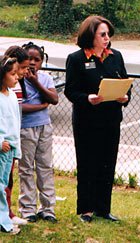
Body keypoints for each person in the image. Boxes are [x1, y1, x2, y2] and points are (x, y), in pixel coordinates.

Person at [64, 15, 131, 223]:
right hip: (86, 121)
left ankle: (103, 208)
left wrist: (125, 97)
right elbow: (70, 91)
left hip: (111, 120)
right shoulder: (76, 59)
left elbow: (126, 82)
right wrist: (88, 99)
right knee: (87, 164)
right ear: (90, 36)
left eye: (108, 34)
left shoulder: (115, 56)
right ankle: (86, 209)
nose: (107, 38)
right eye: (102, 34)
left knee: (107, 164)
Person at [18, 42, 58, 223]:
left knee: (45, 166)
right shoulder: (17, 78)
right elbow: (18, 106)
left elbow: (54, 99)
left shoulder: (45, 78)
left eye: (37, 59)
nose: (33, 63)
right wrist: (41, 106)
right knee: (26, 168)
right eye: (29, 59)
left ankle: (47, 208)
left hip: (44, 127)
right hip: (25, 128)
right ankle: (28, 208)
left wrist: (35, 82)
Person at [4, 46, 30, 226]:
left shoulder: (14, 89)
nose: (23, 73)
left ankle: (8, 212)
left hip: (11, 142)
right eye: (21, 69)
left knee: (8, 180)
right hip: (3, 143)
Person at [0, 56, 21, 234]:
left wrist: (16, 148)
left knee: (4, 183)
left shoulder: (12, 95)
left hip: (10, 150)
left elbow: (16, 123)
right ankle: (4, 222)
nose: (17, 77)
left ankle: (4, 218)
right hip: (1, 149)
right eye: (13, 74)